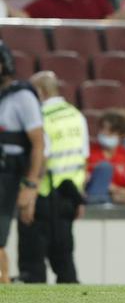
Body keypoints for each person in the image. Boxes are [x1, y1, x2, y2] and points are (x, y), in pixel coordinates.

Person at [17, 71, 88, 284]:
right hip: (69, 197)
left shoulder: (41, 117)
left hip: (43, 196)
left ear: (40, 91)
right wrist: (80, 199)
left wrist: (29, 197)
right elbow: (82, 159)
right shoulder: (76, 115)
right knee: (65, 260)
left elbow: (42, 159)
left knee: (32, 262)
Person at [0, 41, 43, 284]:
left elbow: (38, 144)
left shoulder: (21, 98)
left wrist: (31, 184)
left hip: (7, 175)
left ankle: (3, 283)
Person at [86, 109, 125, 208]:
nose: (104, 133)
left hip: (116, 197)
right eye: (102, 129)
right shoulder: (89, 153)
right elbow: (86, 179)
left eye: (109, 131)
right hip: (94, 196)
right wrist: (110, 187)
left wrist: (115, 191)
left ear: (121, 134)